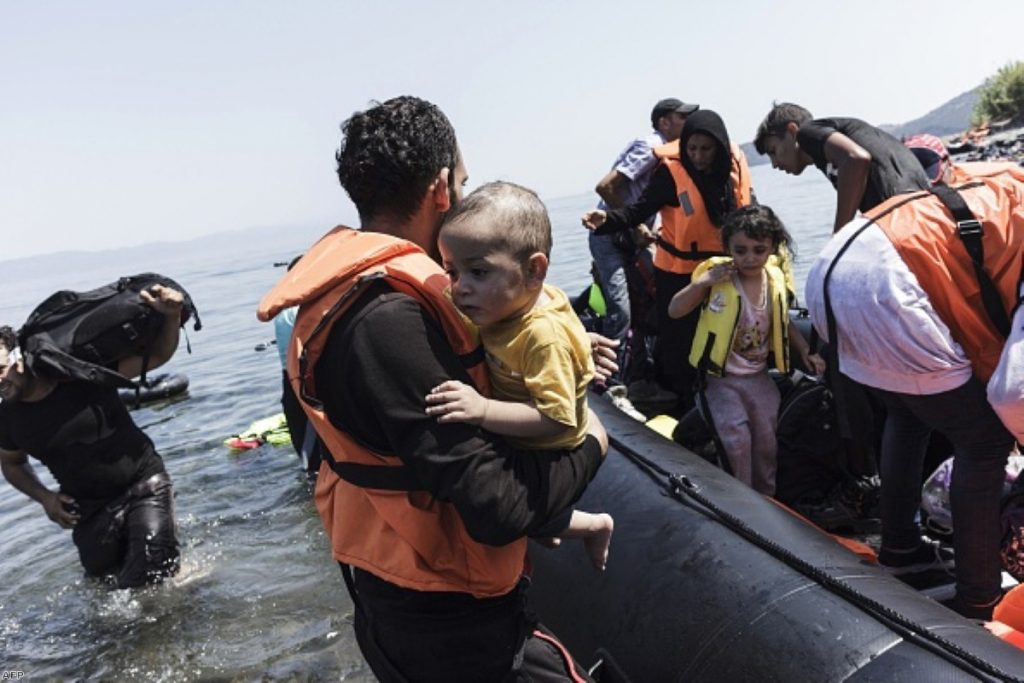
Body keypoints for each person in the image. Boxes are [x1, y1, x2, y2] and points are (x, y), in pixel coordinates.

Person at [256, 96, 610, 682]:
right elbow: (500, 507)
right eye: (465, 184)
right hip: (452, 624)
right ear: (442, 189)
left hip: (387, 593)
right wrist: (594, 441)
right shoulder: (391, 320)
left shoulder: (338, 296)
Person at [805, 171, 1024, 619]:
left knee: (910, 413)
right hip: (889, 285)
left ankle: (901, 546)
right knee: (984, 441)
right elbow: (1012, 396)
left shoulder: (1010, 183)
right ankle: (979, 600)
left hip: (834, 270)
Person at [424, 181, 614, 571]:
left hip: (549, 444)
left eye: (477, 271)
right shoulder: (514, 304)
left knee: (511, 512)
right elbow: (561, 318)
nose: (459, 288)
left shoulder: (541, 336)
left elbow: (553, 417)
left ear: (534, 270)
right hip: (524, 428)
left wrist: (481, 409)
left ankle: (595, 526)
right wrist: (581, 339)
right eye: (452, 272)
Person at [0, 285, 184, 589]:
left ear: (19, 358)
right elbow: (12, 464)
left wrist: (171, 315)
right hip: (89, 509)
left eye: (1, 369)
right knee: (103, 589)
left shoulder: (78, 373)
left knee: (150, 581)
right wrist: (45, 499)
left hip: (143, 483)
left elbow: (159, 356)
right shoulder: (6, 417)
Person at [583, 109, 753, 412]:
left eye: (706, 149)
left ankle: (728, 394)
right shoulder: (670, 173)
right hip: (677, 273)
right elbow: (636, 212)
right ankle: (685, 405)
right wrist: (606, 220)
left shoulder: (731, 169)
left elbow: (750, 215)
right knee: (680, 344)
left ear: (719, 147)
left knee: (726, 335)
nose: (698, 157)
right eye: (692, 149)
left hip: (722, 270)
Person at [667, 205, 824, 495]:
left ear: (772, 248)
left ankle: (767, 497)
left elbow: (783, 321)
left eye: (758, 249)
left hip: (758, 377)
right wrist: (702, 283)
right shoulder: (718, 280)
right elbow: (675, 310)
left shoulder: (773, 281)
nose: (749, 258)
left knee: (767, 441)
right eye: (740, 250)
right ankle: (741, 498)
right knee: (736, 439)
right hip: (721, 379)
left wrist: (805, 352)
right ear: (728, 248)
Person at [588, 97, 698, 399]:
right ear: (664, 122)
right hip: (610, 237)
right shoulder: (650, 146)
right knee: (621, 311)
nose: (688, 123)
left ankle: (641, 378)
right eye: (681, 117)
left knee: (654, 300)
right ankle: (607, 383)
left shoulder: (672, 155)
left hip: (633, 236)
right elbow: (607, 187)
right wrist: (637, 227)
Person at [753, 102, 931, 232]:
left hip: (904, 216)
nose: (774, 164)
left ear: (792, 131)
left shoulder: (807, 133)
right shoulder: (827, 154)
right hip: (922, 212)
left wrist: (840, 235)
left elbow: (857, 159)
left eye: (773, 151)